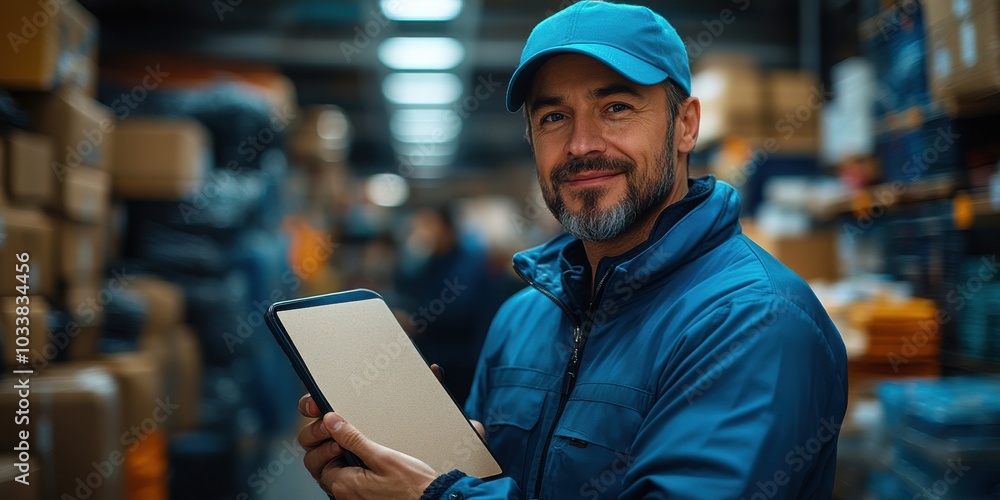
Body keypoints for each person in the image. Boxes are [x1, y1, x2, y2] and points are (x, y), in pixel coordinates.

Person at [296, 2, 849, 498]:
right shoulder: (520, 318)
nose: (582, 145)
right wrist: (411, 468)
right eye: (554, 117)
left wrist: (438, 498)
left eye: (616, 108)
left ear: (685, 125)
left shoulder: (755, 322)